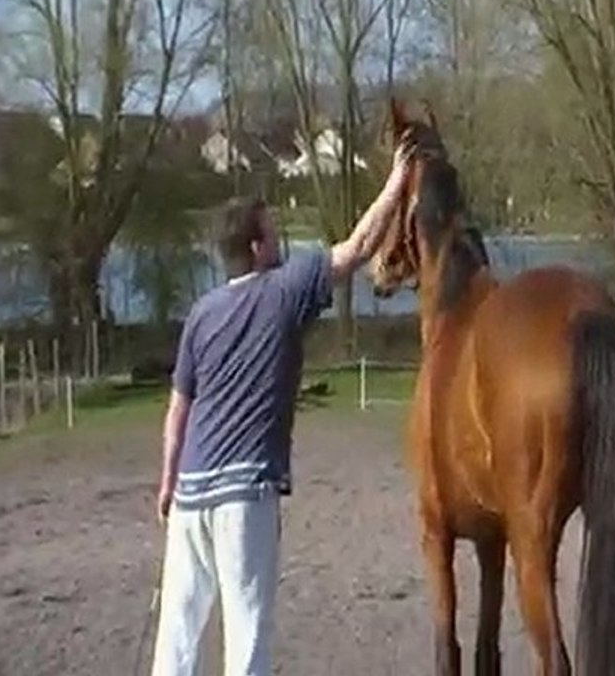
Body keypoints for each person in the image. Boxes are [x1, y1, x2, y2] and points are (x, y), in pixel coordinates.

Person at [150, 136, 416, 676]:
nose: (281, 240)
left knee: (178, 629)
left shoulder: (202, 312)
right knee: (247, 631)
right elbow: (359, 246)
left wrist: (167, 482)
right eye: (273, 233)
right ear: (255, 248)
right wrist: (398, 178)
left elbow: (178, 410)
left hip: (190, 493)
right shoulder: (283, 289)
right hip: (244, 494)